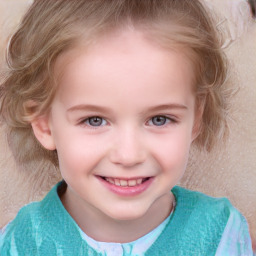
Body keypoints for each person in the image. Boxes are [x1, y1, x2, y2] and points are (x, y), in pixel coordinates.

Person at [0, 0, 253, 255]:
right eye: (94, 120)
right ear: (44, 124)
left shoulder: (222, 235)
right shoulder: (20, 244)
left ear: (196, 118)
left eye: (159, 119)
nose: (129, 155)